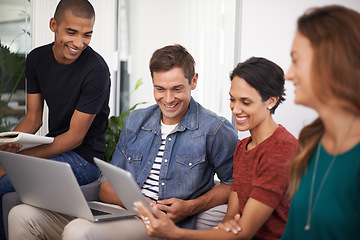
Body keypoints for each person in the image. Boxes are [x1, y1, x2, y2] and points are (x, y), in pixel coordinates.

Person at [8, 44, 239, 239]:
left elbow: (234, 184)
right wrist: (136, 201)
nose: (168, 99)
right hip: (122, 212)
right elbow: (106, 186)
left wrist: (191, 207)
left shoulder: (214, 129)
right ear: (152, 82)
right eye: (160, 89)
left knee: (80, 231)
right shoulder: (135, 122)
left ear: (194, 81)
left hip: (158, 224)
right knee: (22, 215)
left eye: (177, 89)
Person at [135, 56, 298, 239]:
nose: (235, 109)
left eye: (245, 102)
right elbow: (229, 220)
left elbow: (243, 232)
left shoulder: (280, 150)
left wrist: (174, 232)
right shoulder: (243, 147)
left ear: (271, 101)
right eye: (232, 99)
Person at [0, 0, 110, 238]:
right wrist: (6, 150)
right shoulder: (37, 59)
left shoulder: (96, 71)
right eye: (71, 32)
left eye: (87, 35)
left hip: (83, 159)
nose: (78, 43)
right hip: (54, 147)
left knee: (2, 183)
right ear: (54, 25)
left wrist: (12, 163)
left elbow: (74, 138)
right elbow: (32, 118)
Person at [280, 5, 360, 239]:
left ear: (332, 61)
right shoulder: (311, 140)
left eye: (295, 60)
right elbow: (293, 232)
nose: (288, 74)